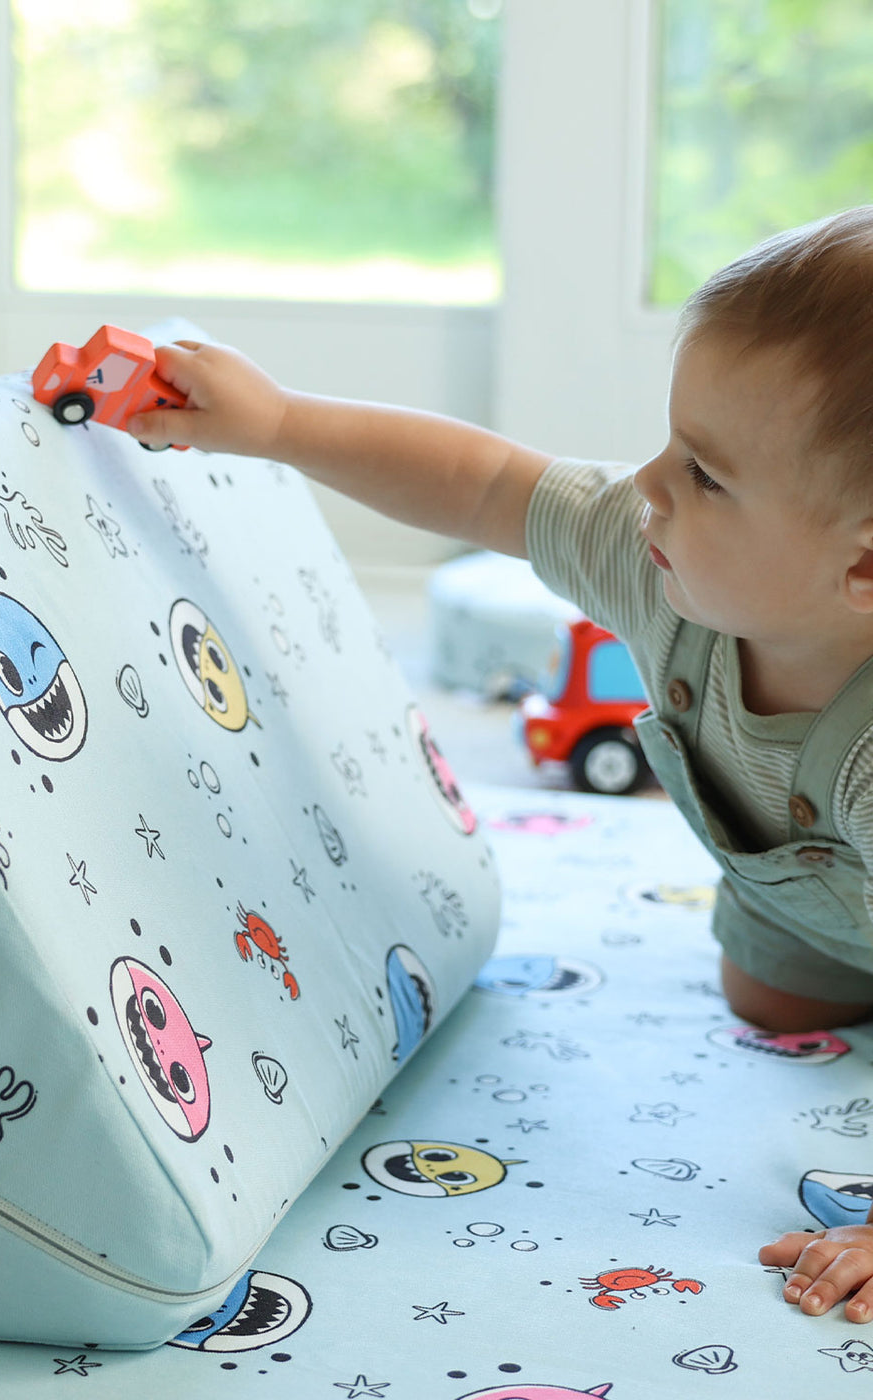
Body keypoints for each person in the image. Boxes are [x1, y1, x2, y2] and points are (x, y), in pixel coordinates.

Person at [125, 206, 873, 1324]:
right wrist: (278, 422)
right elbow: (488, 486)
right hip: (809, 897)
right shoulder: (653, 558)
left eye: (706, 475)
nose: (649, 481)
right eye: (670, 442)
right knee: (767, 1004)